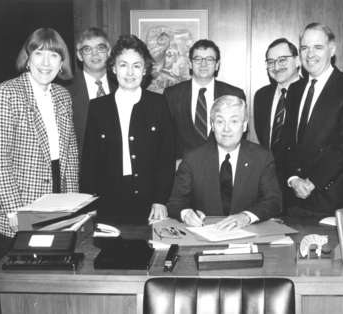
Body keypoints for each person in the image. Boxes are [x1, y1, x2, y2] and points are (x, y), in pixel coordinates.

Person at [0, 28, 79, 257]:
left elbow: (71, 153)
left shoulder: (62, 95)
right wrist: (14, 212)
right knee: (20, 283)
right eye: (39, 53)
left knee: (53, 272)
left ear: (62, 63)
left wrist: (74, 205)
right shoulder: (5, 93)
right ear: (27, 58)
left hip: (57, 201)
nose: (46, 62)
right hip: (19, 204)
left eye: (54, 55)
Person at [81, 35, 175, 225]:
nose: (130, 72)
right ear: (114, 69)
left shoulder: (159, 104)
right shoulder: (98, 107)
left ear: (145, 70)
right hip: (107, 202)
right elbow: (90, 161)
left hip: (149, 202)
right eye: (123, 65)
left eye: (137, 65)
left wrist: (160, 200)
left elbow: (166, 157)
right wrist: (88, 204)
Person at [283, 23, 343, 218]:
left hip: (334, 201)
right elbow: (286, 143)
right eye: (304, 48)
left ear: (332, 50)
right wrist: (294, 179)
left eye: (318, 47)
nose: (310, 54)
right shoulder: (295, 90)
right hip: (293, 201)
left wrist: (312, 181)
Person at [168, 95, 282, 230]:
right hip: (206, 234)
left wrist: (246, 217)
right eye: (220, 122)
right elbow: (175, 202)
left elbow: (274, 201)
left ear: (244, 125)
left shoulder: (262, 157)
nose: (226, 129)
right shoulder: (193, 158)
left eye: (234, 121)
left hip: (248, 233)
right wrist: (186, 213)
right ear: (212, 125)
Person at [164, 39, 246, 160]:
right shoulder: (172, 95)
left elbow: (240, 135)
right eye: (198, 59)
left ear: (217, 65)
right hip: (184, 168)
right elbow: (165, 136)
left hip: (222, 167)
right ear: (190, 64)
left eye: (209, 59)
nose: (203, 64)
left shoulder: (234, 94)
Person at [65, 27, 116, 155]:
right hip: (81, 170)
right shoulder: (66, 93)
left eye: (100, 48)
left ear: (109, 52)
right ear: (79, 55)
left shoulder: (123, 87)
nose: (95, 54)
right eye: (87, 49)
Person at [254, 38, 300, 155]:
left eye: (282, 60)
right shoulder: (261, 96)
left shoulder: (309, 92)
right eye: (271, 62)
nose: (276, 67)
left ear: (297, 61)